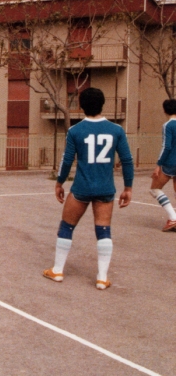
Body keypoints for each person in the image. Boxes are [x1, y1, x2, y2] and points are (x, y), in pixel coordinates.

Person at [43, 87, 133, 290]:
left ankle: (57, 270)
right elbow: (127, 160)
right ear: (103, 105)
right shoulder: (116, 130)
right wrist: (128, 187)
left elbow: (67, 160)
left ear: (81, 106)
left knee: (67, 226)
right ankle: (102, 277)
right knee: (104, 230)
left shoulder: (75, 131)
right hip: (105, 188)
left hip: (82, 187)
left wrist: (60, 182)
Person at [150, 98, 176, 232]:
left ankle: (173, 217)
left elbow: (167, 146)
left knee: (155, 189)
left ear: (165, 110)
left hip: (170, 163)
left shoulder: (168, 125)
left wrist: (158, 164)